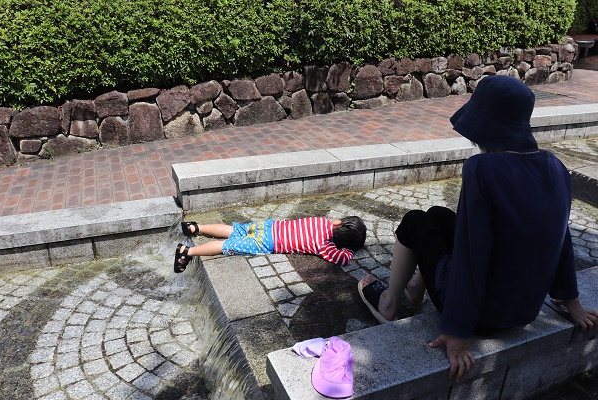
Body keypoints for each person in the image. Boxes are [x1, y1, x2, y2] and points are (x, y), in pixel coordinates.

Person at [357, 75, 598, 383]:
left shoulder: (482, 169)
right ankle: (416, 288)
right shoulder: (555, 166)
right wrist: (571, 301)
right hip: (524, 311)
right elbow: (559, 238)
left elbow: (473, 255)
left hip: (483, 317)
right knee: (439, 214)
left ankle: (389, 304)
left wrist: (457, 332)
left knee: (416, 220)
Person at [174, 216, 366, 273]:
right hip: (267, 242)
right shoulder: (325, 245)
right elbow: (343, 259)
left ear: (338, 223)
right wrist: (350, 248)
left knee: (235, 230)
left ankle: (195, 227)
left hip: (268, 226)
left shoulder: (322, 221)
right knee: (227, 246)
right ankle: (187, 252)